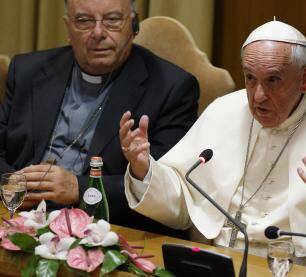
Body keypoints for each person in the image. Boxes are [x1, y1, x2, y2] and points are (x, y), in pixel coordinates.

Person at [120, 20, 306, 276]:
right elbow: (183, 202)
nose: (258, 96)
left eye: (273, 80)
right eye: (250, 78)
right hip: (220, 263)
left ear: (305, 78)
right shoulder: (224, 112)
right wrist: (145, 168)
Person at [0, 0, 199, 237]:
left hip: (108, 231)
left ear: (133, 24)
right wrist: (13, 185)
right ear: (68, 27)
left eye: (112, 20)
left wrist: (78, 188)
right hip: (18, 217)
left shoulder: (171, 88)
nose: (98, 33)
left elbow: (167, 192)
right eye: (84, 21)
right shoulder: (27, 70)